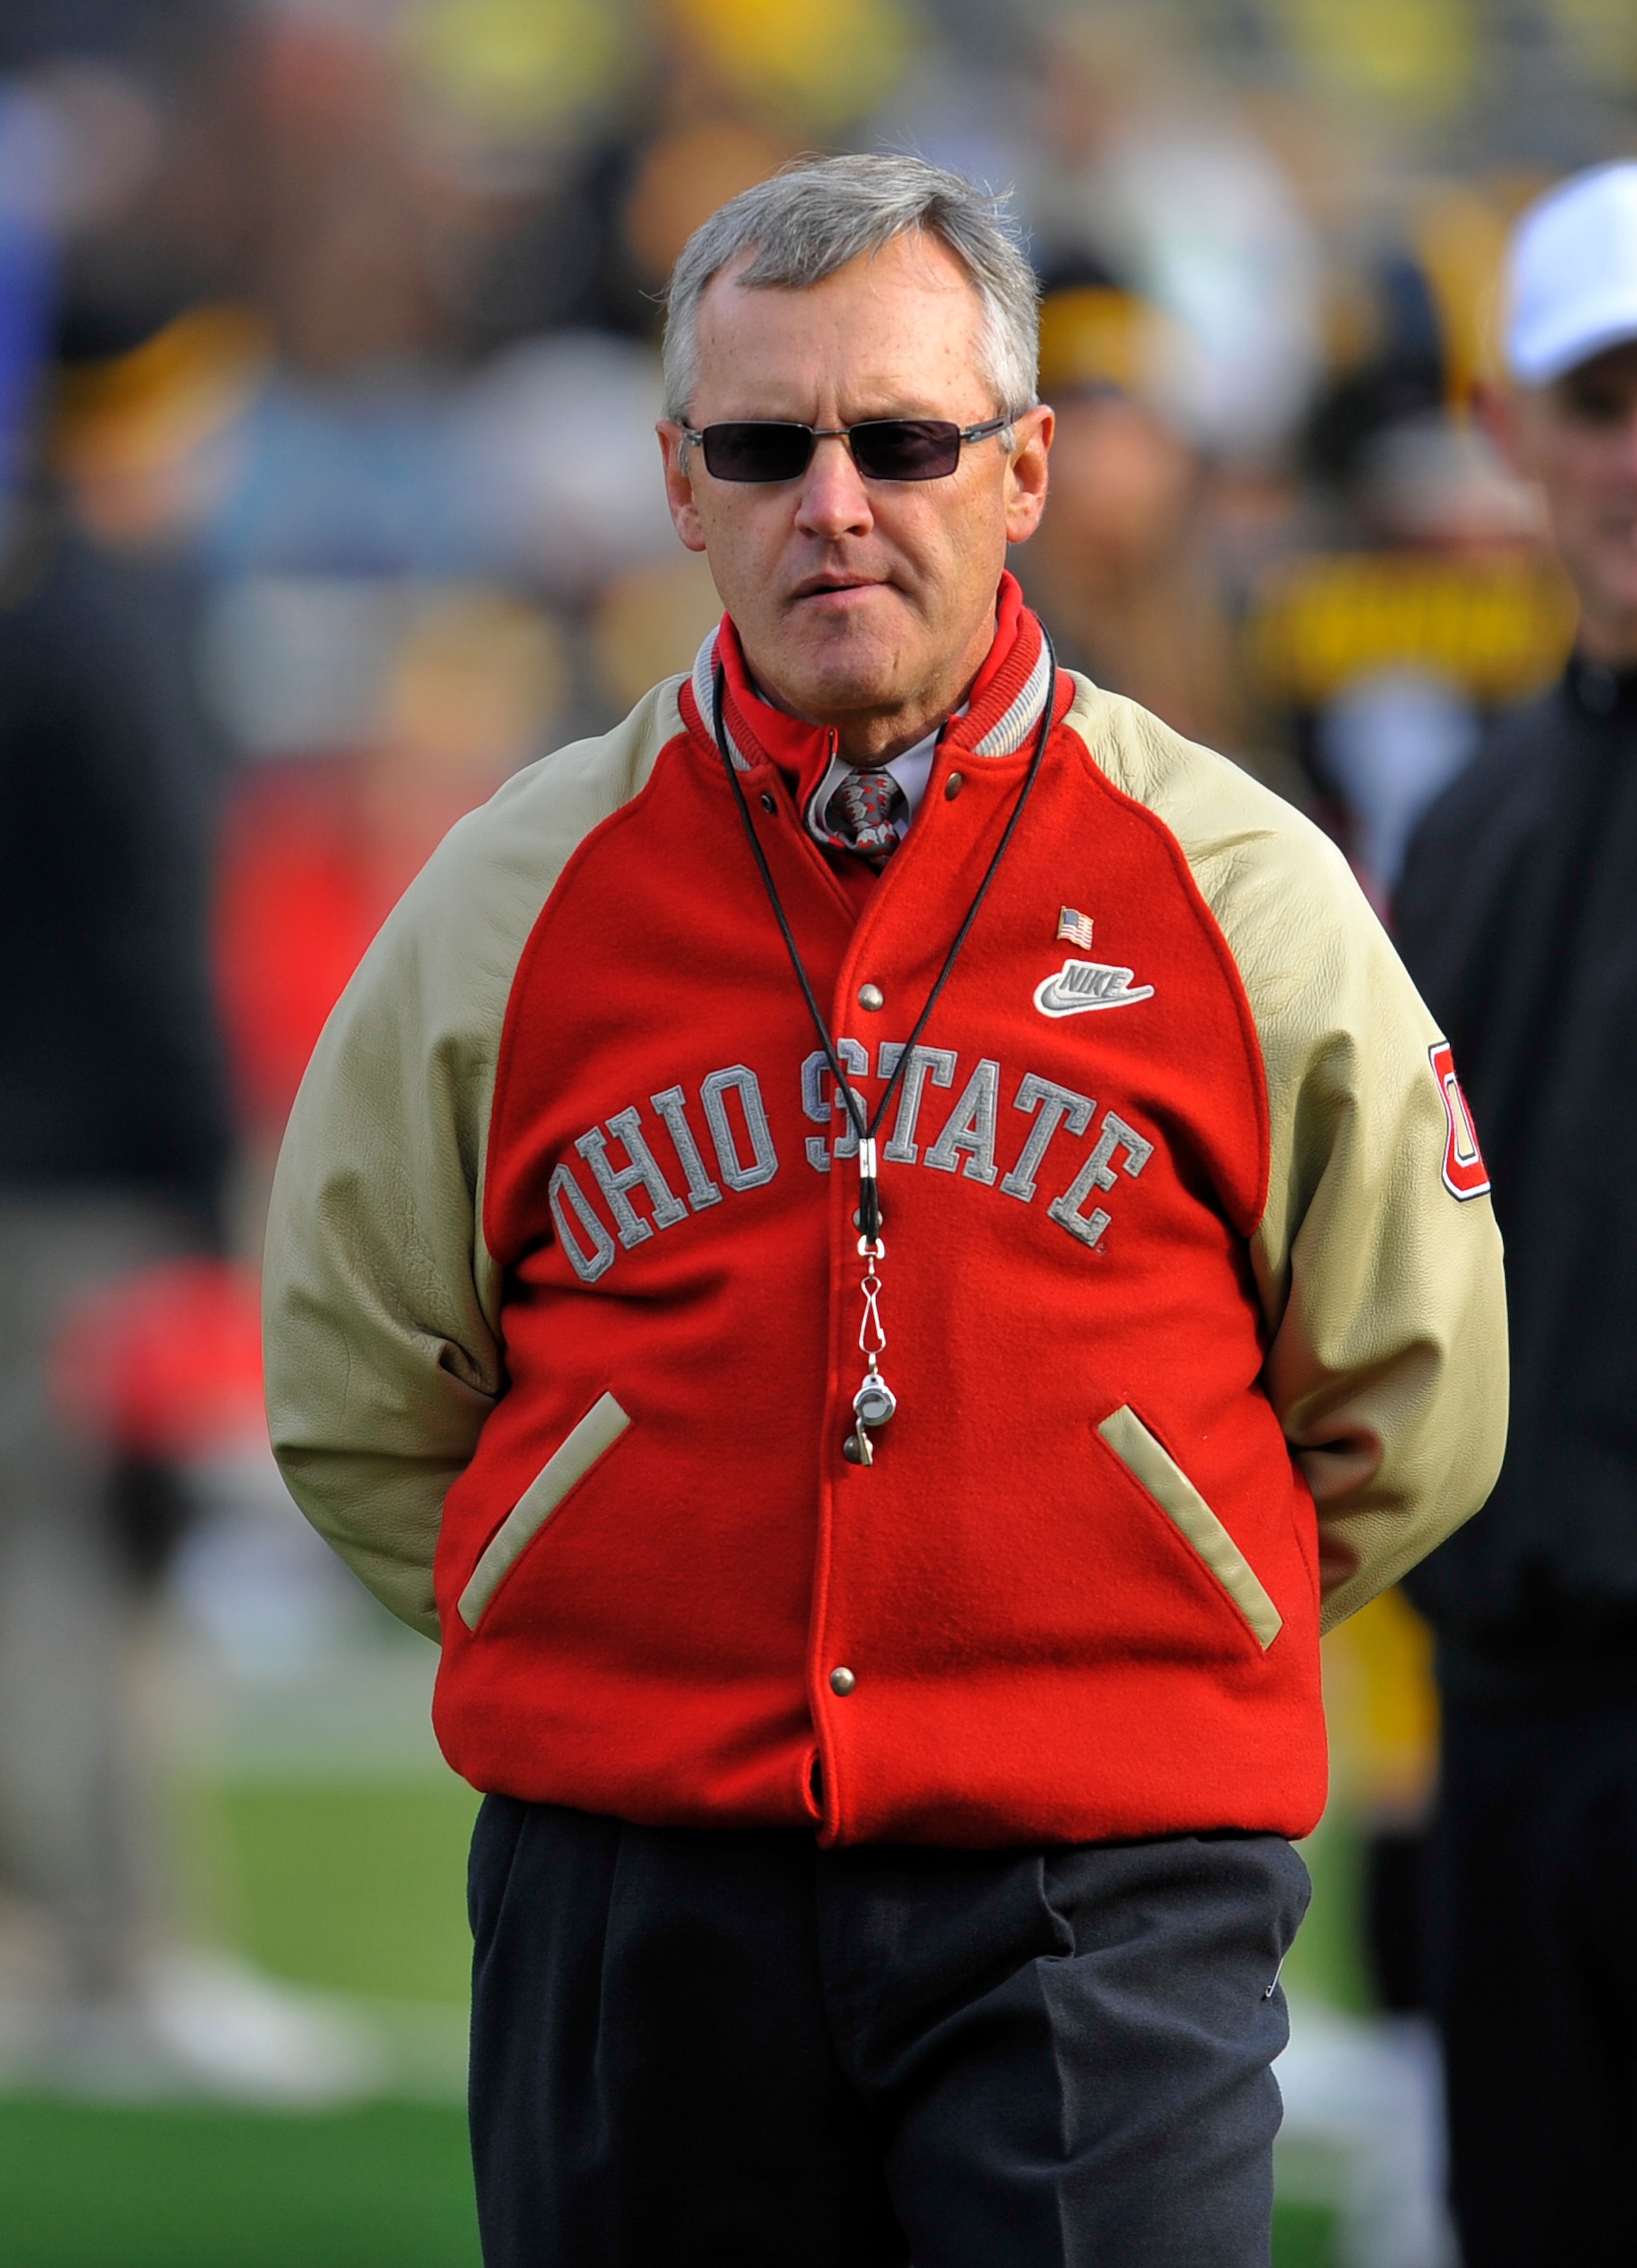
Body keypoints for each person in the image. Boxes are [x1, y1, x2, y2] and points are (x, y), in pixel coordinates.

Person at [264, 155, 1506, 2267]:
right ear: (680, 483)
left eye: (903, 440)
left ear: (1021, 469)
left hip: (1106, 1893)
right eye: (768, 446)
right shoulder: (511, 893)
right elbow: (357, 1379)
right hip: (634, 1885)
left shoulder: (1242, 890)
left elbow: (1413, 1393)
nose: (834, 502)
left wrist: (1132, 1593)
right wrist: (606, 1600)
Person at [1394, 160, 1637, 2268]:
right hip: (1517, 1740)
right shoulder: (1466, 824)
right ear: (1512, 431)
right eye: (1607, 395)